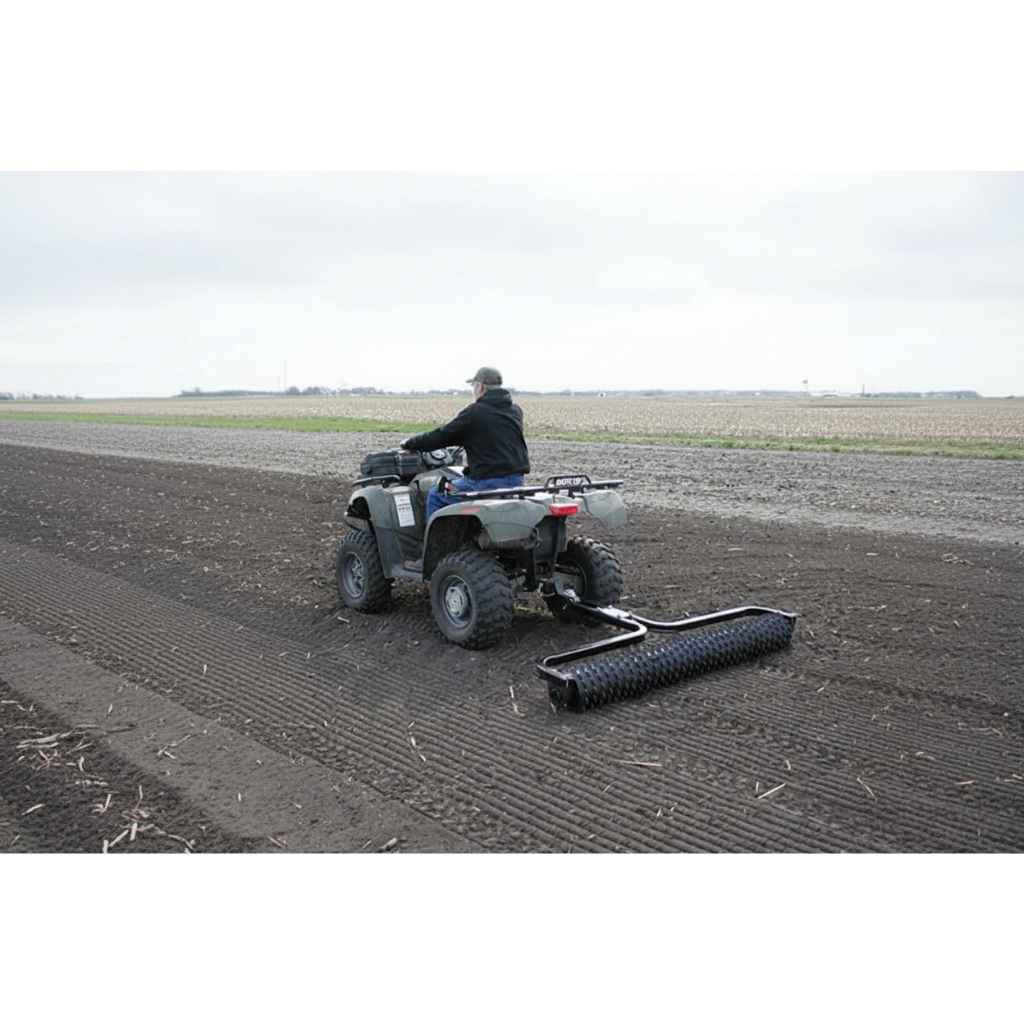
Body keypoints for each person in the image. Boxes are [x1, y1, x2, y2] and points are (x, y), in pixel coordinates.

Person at [401, 366, 530, 520]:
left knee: (437, 493)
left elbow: (442, 435)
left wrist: (410, 443)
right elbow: (492, 435)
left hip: (483, 484)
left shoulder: (475, 412)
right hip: (516, 481)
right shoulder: (515, 411)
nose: (473, 391)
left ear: (480, 387)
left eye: (473, 386)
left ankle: (437, 543)